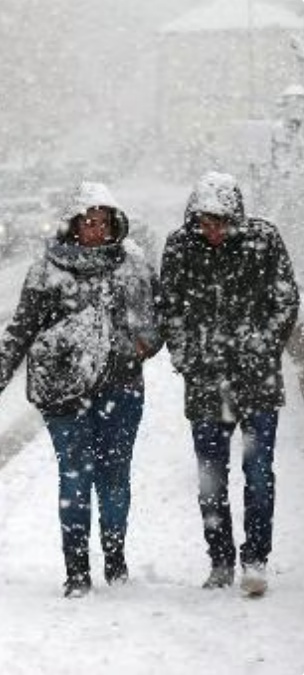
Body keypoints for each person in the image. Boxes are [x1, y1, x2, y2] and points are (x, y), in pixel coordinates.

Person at [0, 182, 162, 598]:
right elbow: (20, 330)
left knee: (113, 479)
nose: (95, 229)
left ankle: (115, 559)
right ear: (73, 224)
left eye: (103, 222)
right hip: (65, 395)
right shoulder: (47, 270)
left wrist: (139, 344)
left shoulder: (134, 267)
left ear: (115, 224)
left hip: (121, 390)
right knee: (74, 479)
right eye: (88, 221)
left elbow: (157, 322)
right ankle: (76, 570)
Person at [158, 171, 300, 596]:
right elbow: (169, 308)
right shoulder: (180, 247)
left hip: (257, 381)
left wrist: (264, 347)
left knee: (258, 474)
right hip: (206, 384)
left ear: (235, 215)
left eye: (220, 221)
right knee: (211, 477)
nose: (213, 230)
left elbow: (286, 299)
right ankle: (219, 559)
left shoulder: (264, 240)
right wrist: (187, 357)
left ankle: (255, 558)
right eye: (204, 221)